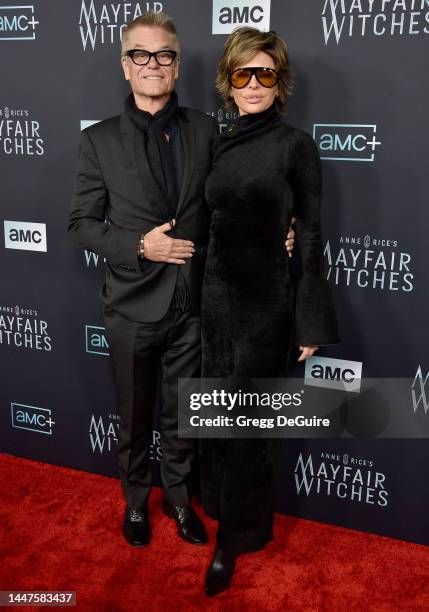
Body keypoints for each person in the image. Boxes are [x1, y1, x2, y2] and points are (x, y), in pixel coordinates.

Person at [69, 10, 297, 552]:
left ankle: (176, 498)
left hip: (196, 306)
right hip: (129, 307)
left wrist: (273, 233)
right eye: (141, 55)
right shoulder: (99, 141)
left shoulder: (206, 129)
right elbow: (79, 225)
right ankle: (133, 502)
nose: (154, 65)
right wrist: (138, 246)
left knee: (181, 415)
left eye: (164, 55)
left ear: (176, 65)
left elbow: (230, 201)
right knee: (134, 416)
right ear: (126, 66)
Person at [199, 27, 339, 596]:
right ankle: (216, 511)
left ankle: (235, 539)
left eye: (265, 74)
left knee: (251, 428)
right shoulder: (214, 139)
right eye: (242, 74)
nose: (253, 85)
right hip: (214, 298)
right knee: (214, 415)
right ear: (227, 80)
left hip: (266, 303)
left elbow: (309, 233)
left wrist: (308, 316)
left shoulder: (295, 146)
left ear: (280, 83)